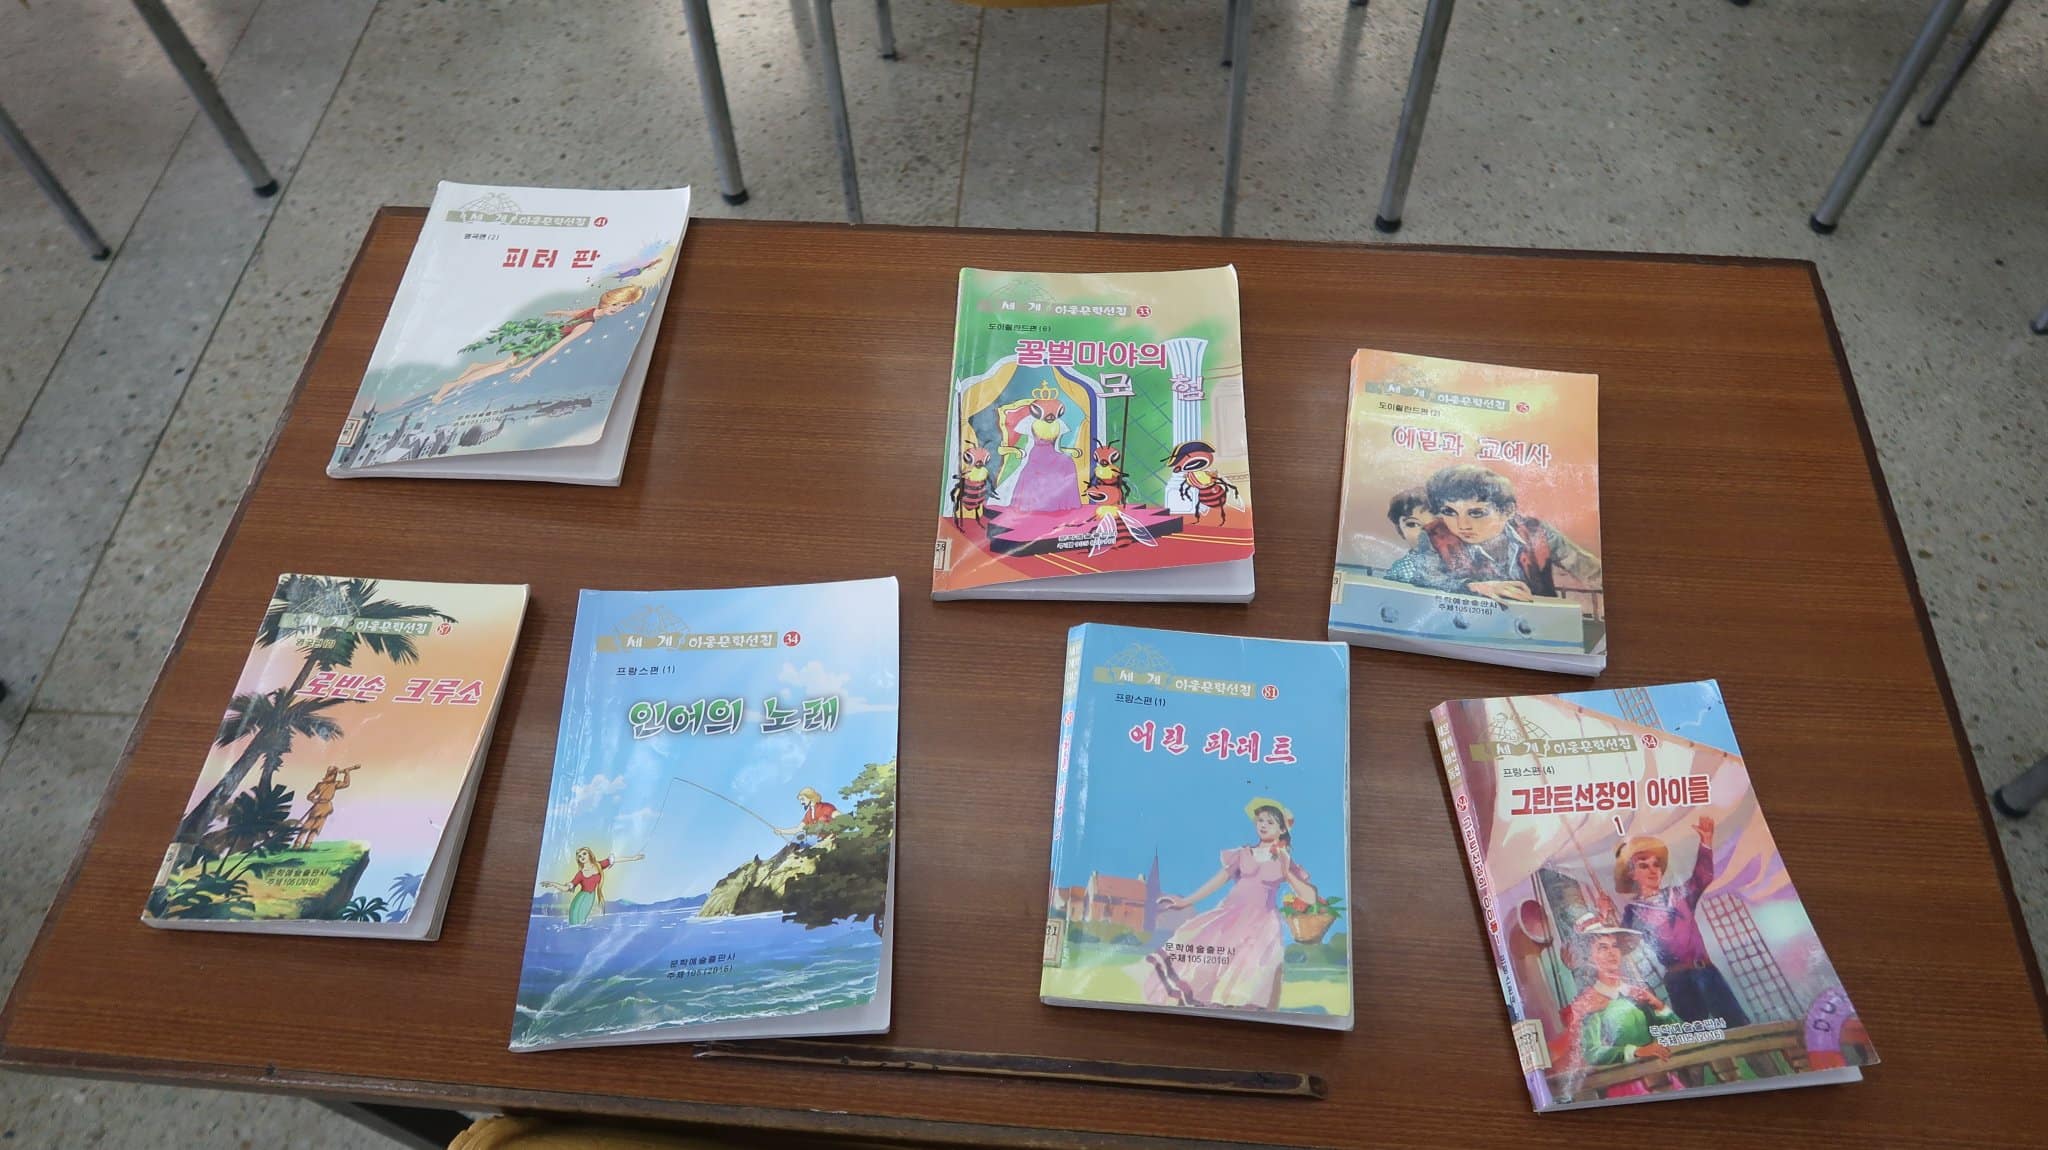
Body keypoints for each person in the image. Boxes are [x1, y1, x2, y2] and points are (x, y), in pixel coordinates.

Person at [1138, 799, 1319, 1011]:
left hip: (1262, 923)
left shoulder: (1284, 860)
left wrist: (1286, 870)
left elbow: (1310, 897)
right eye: (1260, 820)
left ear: (1282, 829)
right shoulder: (1242, 853)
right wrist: (1185, 901)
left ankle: (1238, 1013)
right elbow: (1217, 881)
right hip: (1231, 915)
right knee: (1207, 962)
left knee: (1248, 970)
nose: (1263, 825)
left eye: (1270, 822)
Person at [1597, 818, 1750, 1027]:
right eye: (1644, 866)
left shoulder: (1680, 895)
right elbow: (1623, 945)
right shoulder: (1634, 912)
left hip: (1707, 972)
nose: (1653, 870)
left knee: (1738, 1025)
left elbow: (1703, 877)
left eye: (1656, 865)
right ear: (1632, 874)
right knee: (1694, 1034)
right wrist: (1605, 916)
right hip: (1679, 981)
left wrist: (1705, 842)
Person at [1386, 464, 1602, 604]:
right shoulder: (1433, 536)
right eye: (1449, 512)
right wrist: (1472, 586)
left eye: (1476, 513)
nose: (1462, 525)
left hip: (1537, 627)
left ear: (1507, 511)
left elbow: (1592, 573)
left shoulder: (1537, 531)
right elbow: (1425, 577)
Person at [432, 284, 646, 404]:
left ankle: (476, 366)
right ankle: (450, 386)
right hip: (543, 343)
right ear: (609, 301)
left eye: (624, 307)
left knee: (512, 362)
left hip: (544, 337)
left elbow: (574, 313)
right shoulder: (588, 324)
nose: (618, 309)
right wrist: (530, 368)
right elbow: (558, 347)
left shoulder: (592, 312)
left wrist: (560, 312)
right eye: (617, 304)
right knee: (506, 366)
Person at [1558, 911, 1683, 1099]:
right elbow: (1592, 1052)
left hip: (1664, 1080)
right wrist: (1637, 1051)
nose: (1611, 953)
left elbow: (1679, 1032)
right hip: (1626, 1087)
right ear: (1589, 957)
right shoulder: (1589, 1003)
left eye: (1614, 946)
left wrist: (1658, 1006)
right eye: (1602, 948)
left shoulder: (1637, 993)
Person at [992, 390, 1082, 513]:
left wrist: (1066, 451)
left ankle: (1062, 502)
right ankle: (1033, 503)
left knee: (1067, 462)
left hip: (1052, 453)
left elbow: (1057, 446)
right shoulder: (1029, 423)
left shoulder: (1058, 424)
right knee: (1034, 469)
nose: (1050, 417)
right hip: (1036, 454)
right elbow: (1024, 444)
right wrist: (1019, 453)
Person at [539, 846, 644, 925]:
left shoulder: (598, 865)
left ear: (589, 854)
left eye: (584, 854)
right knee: (575, 921)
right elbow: (566, 888)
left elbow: (614, 860)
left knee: (581, 921)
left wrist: (633, 858)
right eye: (580, 856)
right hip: (580, 898)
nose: (582, 857)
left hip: (589, 898)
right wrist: (552, 884)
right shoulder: (580, 874)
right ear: (578, 860)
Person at [291, 764, 360, 849]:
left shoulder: (335, 784)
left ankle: (307, 845)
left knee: (317, 826)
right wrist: (313, 799)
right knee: (307, 825)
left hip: (326, 807)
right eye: (331, 774)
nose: (332, 776)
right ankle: (297, 844)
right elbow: (310, 795)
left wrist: (347, 773)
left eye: (333, 775)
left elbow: (346, 784)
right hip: (317, 807)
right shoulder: (320, 785)